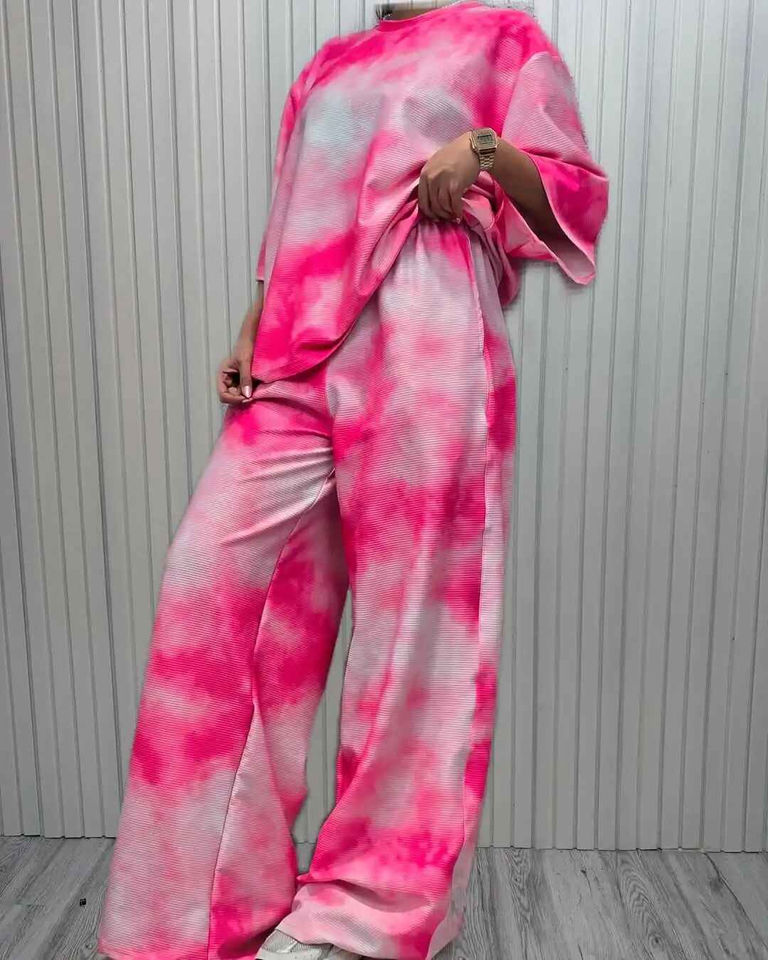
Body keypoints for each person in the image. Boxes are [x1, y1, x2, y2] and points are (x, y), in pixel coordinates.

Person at [96, 2, 609, 959]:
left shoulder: (501, 37)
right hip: (301, 338)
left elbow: (574, 194)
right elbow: (299, 206)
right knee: (211, 583)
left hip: (429, 313)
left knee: (414, 624)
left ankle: (376, 908)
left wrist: (485, 151)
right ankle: (200, 911)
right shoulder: (328, 64)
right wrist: (254, 319)